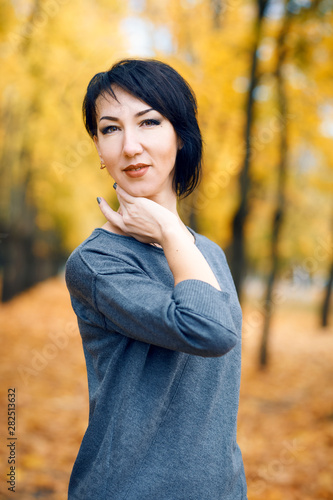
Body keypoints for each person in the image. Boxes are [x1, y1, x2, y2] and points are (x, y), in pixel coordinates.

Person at [65, 58, 247, 500]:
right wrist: (167, 228)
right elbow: (209, 330)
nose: (130, 146)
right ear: (98, 147)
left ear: (180, 135)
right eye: (110, 129)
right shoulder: (96, 263)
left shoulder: (208, 254)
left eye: (148, 122)